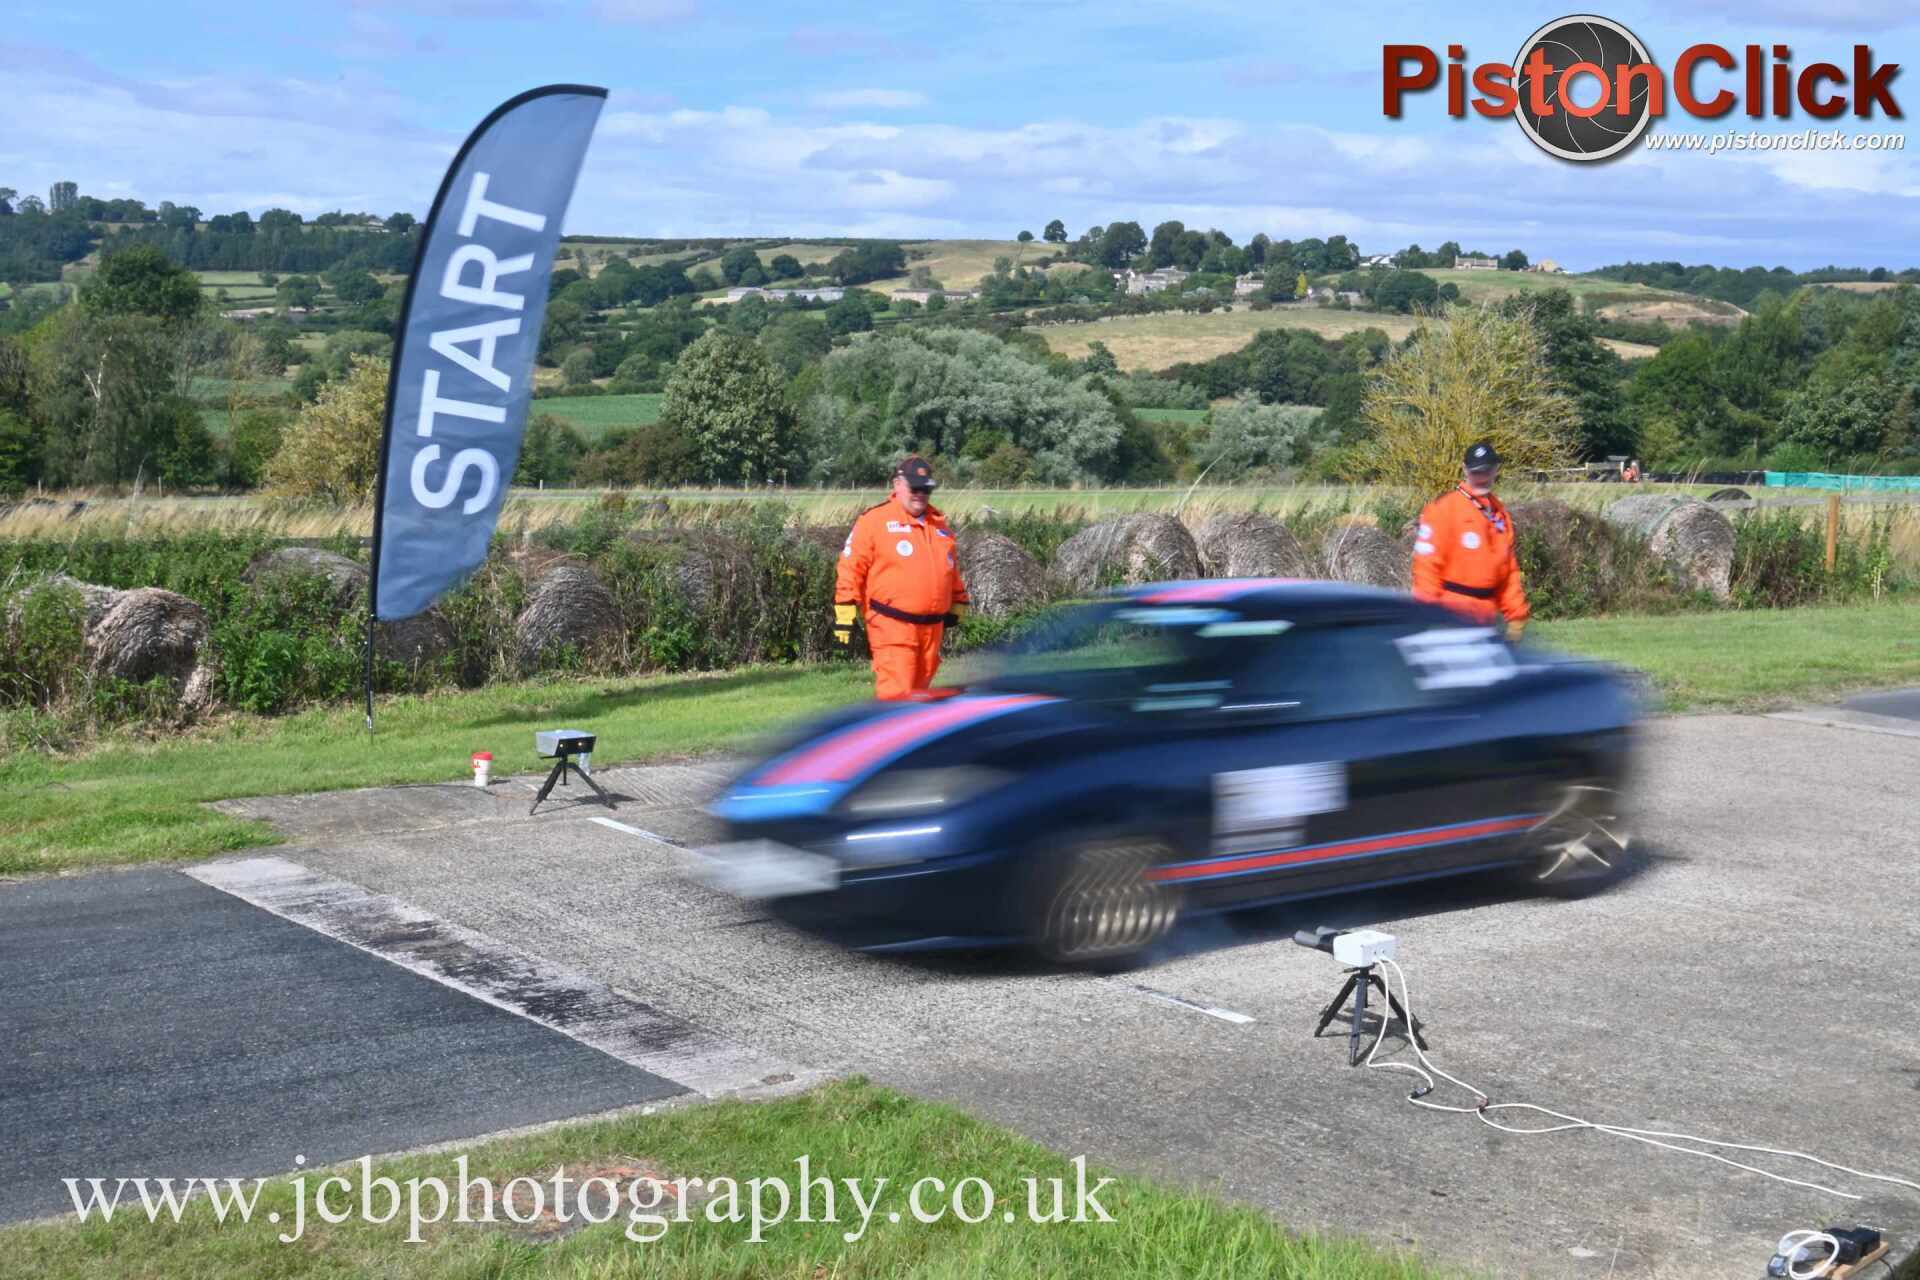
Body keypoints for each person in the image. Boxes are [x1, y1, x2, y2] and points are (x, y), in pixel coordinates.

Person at [834, 456, 971, 699]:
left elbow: (949, 569)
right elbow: (851, 566)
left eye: (926, 489)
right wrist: (844, 607)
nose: (920, 494)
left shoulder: (939, 525)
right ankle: (883, 737)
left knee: (919, 700)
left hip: (932, 629)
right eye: (914, 487)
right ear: (897, 484)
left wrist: (958, 602)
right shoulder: (875, 521)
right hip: (892, 626)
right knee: (896, 698)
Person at [1411, 440, 1530, 640]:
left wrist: (1516, 615)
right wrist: (1426, 616)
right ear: (1465, 470)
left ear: (1496, 470)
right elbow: (1426, 567)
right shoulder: (1444, 510)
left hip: (1487, 620)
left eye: (1487, 471)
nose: (1482, 478)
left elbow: (1508, 571)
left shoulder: (1500, 515)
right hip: (1450, 619)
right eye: (1476, 472)